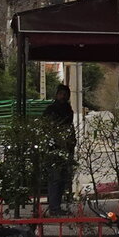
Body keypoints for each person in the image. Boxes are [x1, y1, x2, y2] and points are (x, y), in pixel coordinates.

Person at [40, 84, 76, 215]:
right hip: (53, 148)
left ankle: (56, 206)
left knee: (62, 179)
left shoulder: (68, 110)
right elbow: (47, 128)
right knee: (55, 178)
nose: (63, 96)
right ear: (57, 94)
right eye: (61, 93)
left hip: (66, 148)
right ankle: (54, 208)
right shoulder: (51, 110)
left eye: (65, 94)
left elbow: (70, 128)